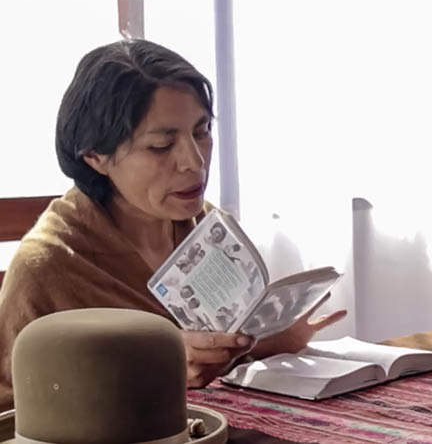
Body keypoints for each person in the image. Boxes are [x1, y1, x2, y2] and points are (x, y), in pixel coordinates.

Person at [0, 39, 347, 411]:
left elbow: (223, 360)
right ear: (96, 158)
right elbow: (14, 412)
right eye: (162, 146)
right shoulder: (50, 266)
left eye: (202, 132)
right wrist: (155, 370)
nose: (194, 161)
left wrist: (269, 341)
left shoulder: (210, 230)